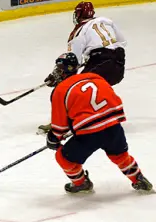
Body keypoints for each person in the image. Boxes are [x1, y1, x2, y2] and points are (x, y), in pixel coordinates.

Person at [46, 52, 152, 193]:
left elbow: (60, 126)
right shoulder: (95, 77)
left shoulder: (60, 90)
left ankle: (81, 183)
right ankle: (138, 178)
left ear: (66, 70)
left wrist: (54, 138)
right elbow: (112, 100)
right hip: (113, 126)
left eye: (59, 68)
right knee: (120, 156)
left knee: (64, 158)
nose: (57, 72)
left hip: (90, 134)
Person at [38, 1, 127, 134]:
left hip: (100, 63)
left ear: (78, 15)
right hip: (119, 65)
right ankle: (99, 117)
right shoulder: (106, 21)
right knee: (91, 91)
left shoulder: (79, 31)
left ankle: (65, 124)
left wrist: (57, 75)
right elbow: (122, 42)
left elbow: (72, 61)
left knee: (71, 90)